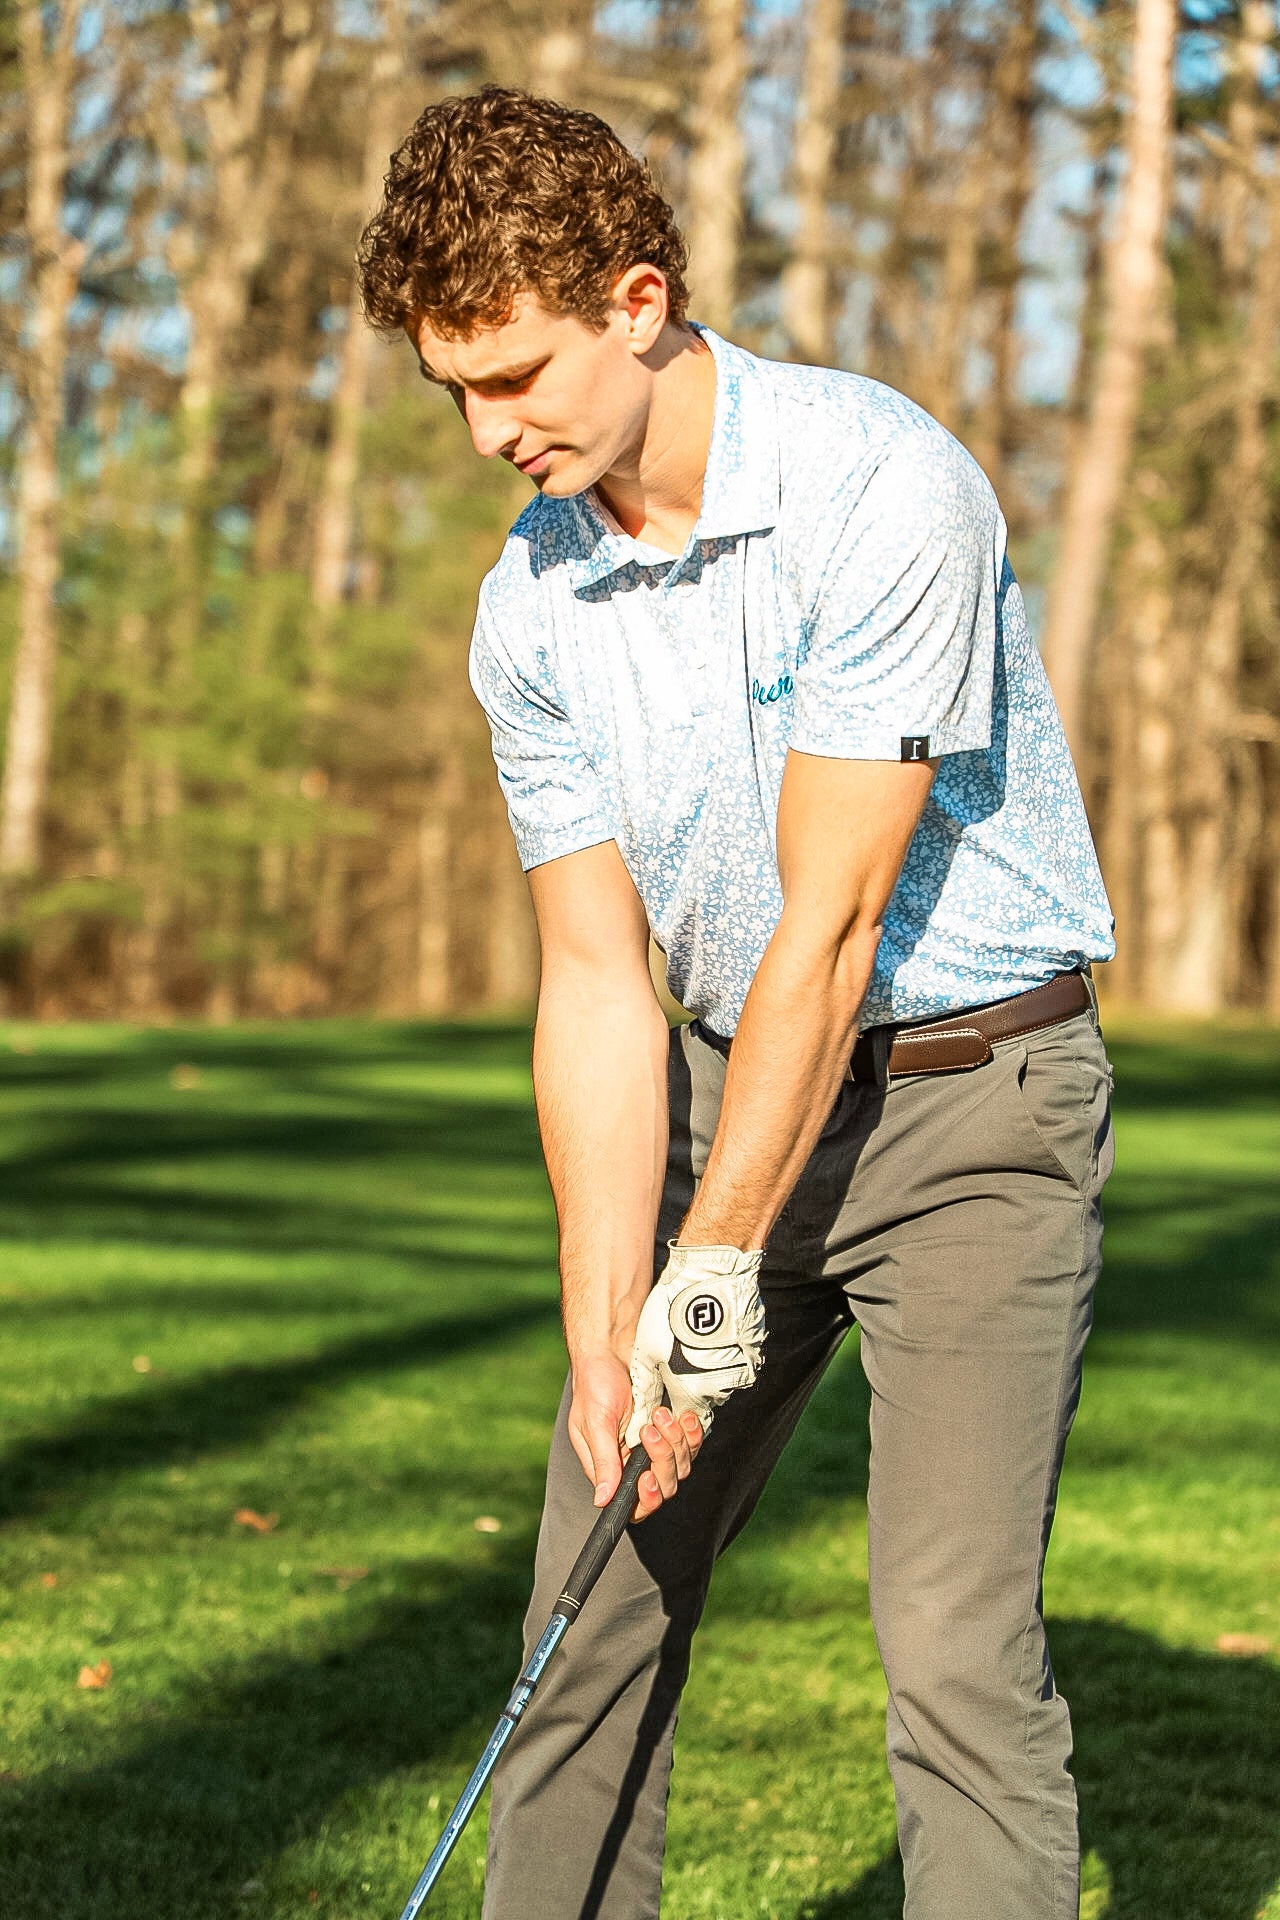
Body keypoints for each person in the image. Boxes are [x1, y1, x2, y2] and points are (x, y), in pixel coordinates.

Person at [357, 85, 1116, 1920]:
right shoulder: (533, 606)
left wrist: (718, 1255)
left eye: (517, 374)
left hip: (969, 1110)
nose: (486, 432)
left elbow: (831, 929)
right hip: (716, 1089)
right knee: (587, 1614)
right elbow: (600, 982)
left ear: (636, 301)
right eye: (453, 389)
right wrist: (614, 1319)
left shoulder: (883, 484)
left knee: (952, 1657)